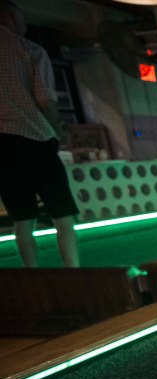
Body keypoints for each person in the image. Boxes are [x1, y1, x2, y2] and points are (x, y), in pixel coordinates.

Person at [0, 0, 79, 267]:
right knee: (63, 216)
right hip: (37, 139)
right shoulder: (29, 50)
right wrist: (58, 129)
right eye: (21, 19)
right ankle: (73, 271)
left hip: (3, 146)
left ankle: (33, 274)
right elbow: (46, 99)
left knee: (22, 220)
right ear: (11, 18)